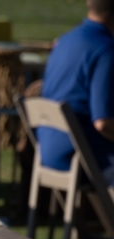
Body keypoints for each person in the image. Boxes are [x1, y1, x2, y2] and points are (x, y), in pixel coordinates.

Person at [38, 0, 114, 185]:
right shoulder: (105, 49)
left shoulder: (64, 41)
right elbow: (103, 123)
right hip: (80, 157)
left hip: (48, 151)